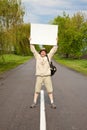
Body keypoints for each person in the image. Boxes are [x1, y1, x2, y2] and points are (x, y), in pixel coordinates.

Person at [29, 38, 58, 109]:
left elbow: (53, 50)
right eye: (41, 51)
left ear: (46, 52)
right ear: (40, 52)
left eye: (44, 52)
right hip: (39, 76)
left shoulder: (48, 56)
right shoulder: (37, 56)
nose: (43, 53)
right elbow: (33, 50)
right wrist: (31, 42)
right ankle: (34, 102)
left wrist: (56, 42)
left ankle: (52, 103)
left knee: (50, 90)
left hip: (47, 76)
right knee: (37, 90)